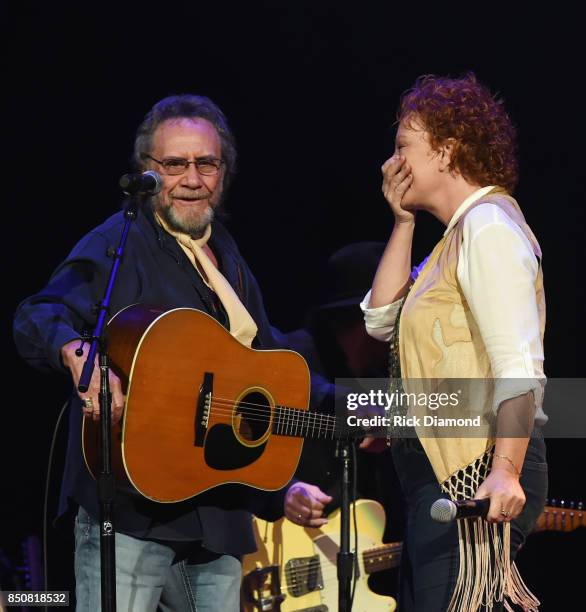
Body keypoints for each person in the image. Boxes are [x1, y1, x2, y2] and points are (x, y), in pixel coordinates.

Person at [13, 94, 332, 611]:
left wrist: (352, 412)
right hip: (134, 508)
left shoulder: (226, 254)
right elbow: (38, 313)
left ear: (223, 172)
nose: (192, 178)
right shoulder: (119, 242)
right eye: (175, 164)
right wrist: (74, 353)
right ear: (147, 172)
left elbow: (265, 371)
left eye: (206, 163)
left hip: (219, 517)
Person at [361, 74, 548, 611]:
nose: (392, 163)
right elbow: (380, 320)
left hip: (479, 473)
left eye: (403, 147)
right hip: (443, 477)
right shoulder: (456, 236)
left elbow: (519, 365)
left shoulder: (488, 226)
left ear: (445, 150)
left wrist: (506, 472)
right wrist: (402, 223)